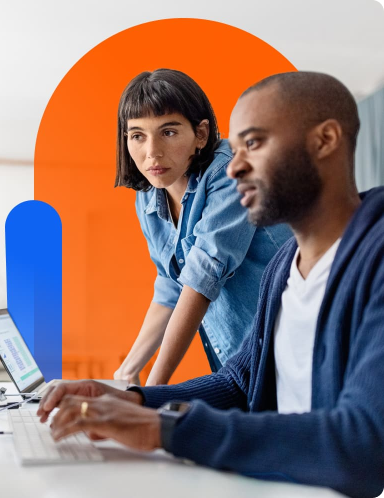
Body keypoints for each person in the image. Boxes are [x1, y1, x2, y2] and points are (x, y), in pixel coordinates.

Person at [37, 71, 384, 498]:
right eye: (235, 149)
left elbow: (365, 443)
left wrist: (166, 427)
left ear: (325, 140)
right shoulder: (282, 268)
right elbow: (239, 383)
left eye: (252, 144)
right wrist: (136, 400)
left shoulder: (376, 258)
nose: (234, 167)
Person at [113, 69, 291, 385]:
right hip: (240, 362)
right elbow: (171, 284)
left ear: (201, 134)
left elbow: (203, 275)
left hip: (291, 351)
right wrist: (127, 372)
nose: (151, 151)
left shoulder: (232, 172)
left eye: (168, 132)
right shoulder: (149, 194)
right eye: (137, 135)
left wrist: (151, 392)